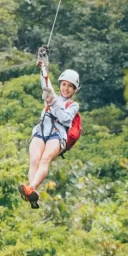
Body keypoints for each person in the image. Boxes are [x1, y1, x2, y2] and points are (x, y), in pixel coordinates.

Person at [19, 67, 80, 208]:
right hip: (41, 130)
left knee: (45, 159)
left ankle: (31, 187)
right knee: (34, 160)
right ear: (60, 85)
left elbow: (66, 120)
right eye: (64, 84)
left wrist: (53, 103)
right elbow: (45, 83)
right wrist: (42, 66)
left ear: (74, 90)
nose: (66, 88)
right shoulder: (52, 95)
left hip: (57, 135)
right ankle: (31, 192)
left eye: (70, 86)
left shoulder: (73, 105)